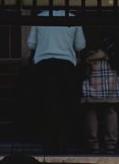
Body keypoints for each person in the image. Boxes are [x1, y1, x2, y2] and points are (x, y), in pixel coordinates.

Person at [26, 10, 84, 152]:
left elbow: (31, 44)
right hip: (66, 66)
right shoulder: (73, 19)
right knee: (65, 105)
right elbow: (80, 45)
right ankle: (62, 141)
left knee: (45, 104)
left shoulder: (40, 17)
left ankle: (48, 141)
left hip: (43, 66)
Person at [80, 38, 119, 153]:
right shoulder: (113, 46)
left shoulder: (89, 45)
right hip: (111, 79)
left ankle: (93, 145)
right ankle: (111, 145)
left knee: (91, 111)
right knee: (110, 111)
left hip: (93, 79)